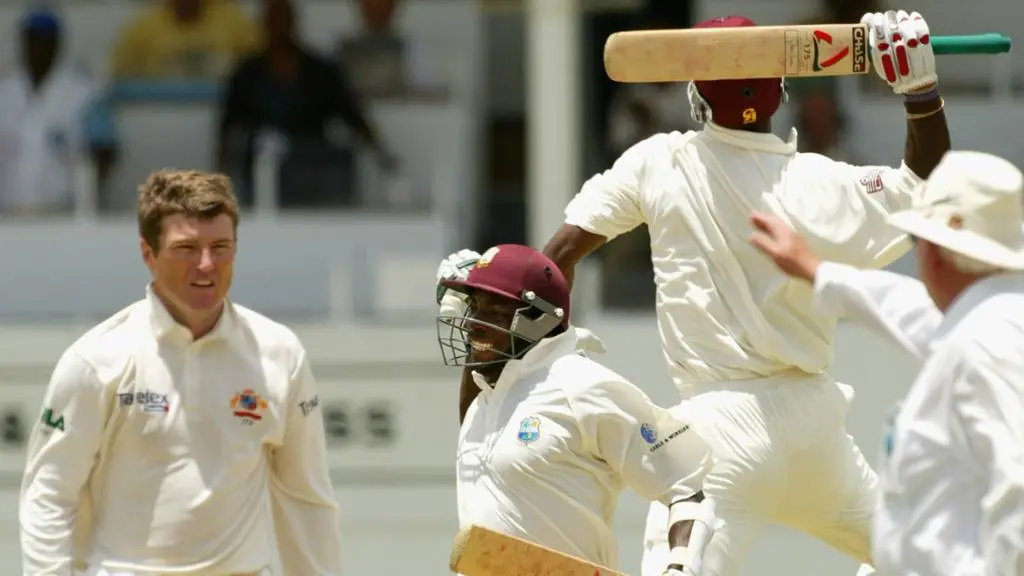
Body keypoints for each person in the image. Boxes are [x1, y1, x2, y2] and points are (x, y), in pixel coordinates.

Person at [538, 10, 951, 576]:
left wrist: (538, 367)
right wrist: (921, 95)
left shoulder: (660, 162)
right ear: (780, 92)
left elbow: (557, 258)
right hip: (814, 429)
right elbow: (925, 189)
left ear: (696, 97)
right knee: (919, 556)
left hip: (718, 433)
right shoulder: (819, 181)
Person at [19, 170, 342, 575]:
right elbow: (49, 494)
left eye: (220, 247)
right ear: (148, 253)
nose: (207, 265)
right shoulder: (96, 359)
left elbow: (306, 499)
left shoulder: (280, 353)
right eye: (186, 248)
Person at [750, 150, 1024, 575]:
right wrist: (816, 271)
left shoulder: (984, 346)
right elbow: (907, 308)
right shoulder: (990, 320)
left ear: (934, 252)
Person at [435, 244, 716, 576]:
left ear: (538, 319)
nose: (474, 325)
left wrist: (681, 567)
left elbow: (686, 484)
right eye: (475, 309)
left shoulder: (579, 384)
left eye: (495, 313)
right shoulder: (486, 399)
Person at [219, 0, 395, 208]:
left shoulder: (320, 71)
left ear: (294, 23)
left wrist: (381, 153)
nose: (279, 27)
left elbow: (351, 114)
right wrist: (220, 174)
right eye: (273, 21)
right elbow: (228, 126)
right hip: (261, 164)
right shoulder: (247, 74)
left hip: (311, 163)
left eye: (284, 20)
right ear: (264, 25)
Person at [0, 7, 118, 214]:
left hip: (63, 212)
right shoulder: (5, 93)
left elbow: (105, 152)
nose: (37, 48)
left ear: (56, 44)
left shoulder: (84, 95)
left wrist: (87, 200)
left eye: (44, 41)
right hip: (7, 211)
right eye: (32, 40)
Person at [110, 0, 258, 80]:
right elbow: (119, 74)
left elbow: (260, 69)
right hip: (160, 111)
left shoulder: (234, 23)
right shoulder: (143, 29)